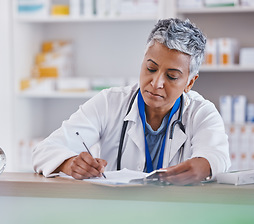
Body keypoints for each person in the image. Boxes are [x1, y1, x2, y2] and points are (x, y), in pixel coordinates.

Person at [32, 18, 231, 185]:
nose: (156, 83)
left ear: (189, 83)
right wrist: (69, 163)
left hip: (176, 217)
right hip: (119, 216)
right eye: (151, 69)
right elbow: (43, 151)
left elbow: (218, 156)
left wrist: (203, 165)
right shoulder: (110, 102)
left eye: (171, 76)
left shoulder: (201, 113)